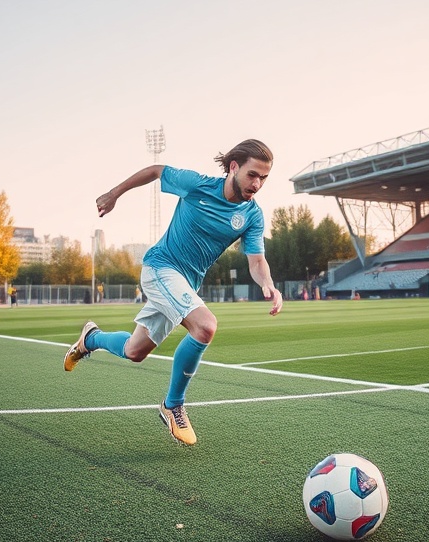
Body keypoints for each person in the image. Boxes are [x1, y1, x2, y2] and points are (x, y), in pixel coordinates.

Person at [63, 139, 283, 446]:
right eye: (252, 175)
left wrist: (267, 283)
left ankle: (90, 339)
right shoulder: (197, 185)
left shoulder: (252, 215)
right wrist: (114, 194)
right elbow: (156, 170)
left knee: (134, 352)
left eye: (264, 178)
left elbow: (257, 260)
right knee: (205, 326)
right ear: (234, 167)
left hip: (186, 285)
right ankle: (172, 405)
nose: (257, 183)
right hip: (160, 267)